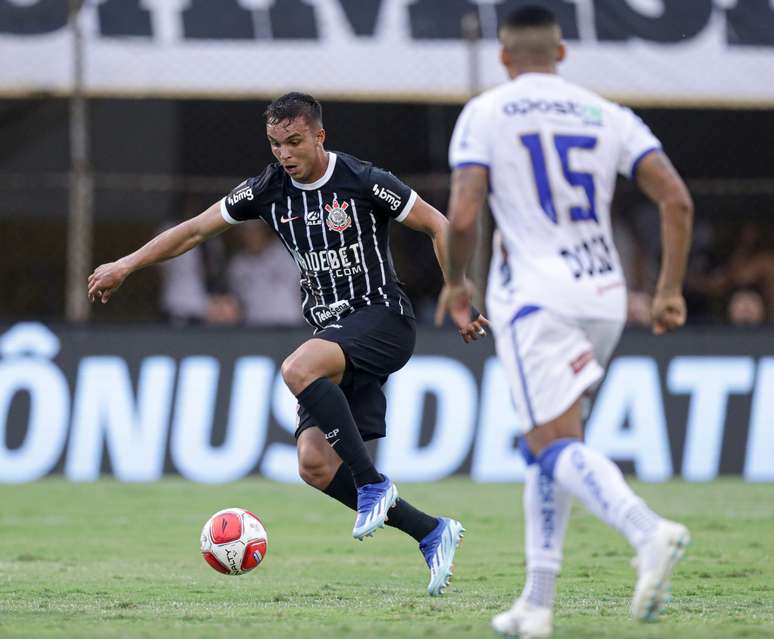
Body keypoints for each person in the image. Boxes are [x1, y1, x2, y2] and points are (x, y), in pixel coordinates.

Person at [88, 92, 489, 596]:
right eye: (275, 143)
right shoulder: (268, 188)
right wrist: (125, 265)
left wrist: (457, 293)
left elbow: (438, 224)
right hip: (335, 337)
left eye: (294, 141)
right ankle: (431, 531)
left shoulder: (364, 181)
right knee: (315, 464)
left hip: (383, 319)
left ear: (320, 135)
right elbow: (193, 232)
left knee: (299, 369)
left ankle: (373, 485)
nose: (284, 153)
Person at [435, 6, 694, 637]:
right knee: (551, 448)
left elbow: (464, 216)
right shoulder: (607, 114)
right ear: (562, 53)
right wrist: (667, 291)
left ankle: (647, 532)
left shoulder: (487, 112)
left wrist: (454, 281)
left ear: (503, 56)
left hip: (534, 298)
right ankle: (537, 604)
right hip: (603, 295)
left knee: (550, 446)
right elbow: (677, 199)